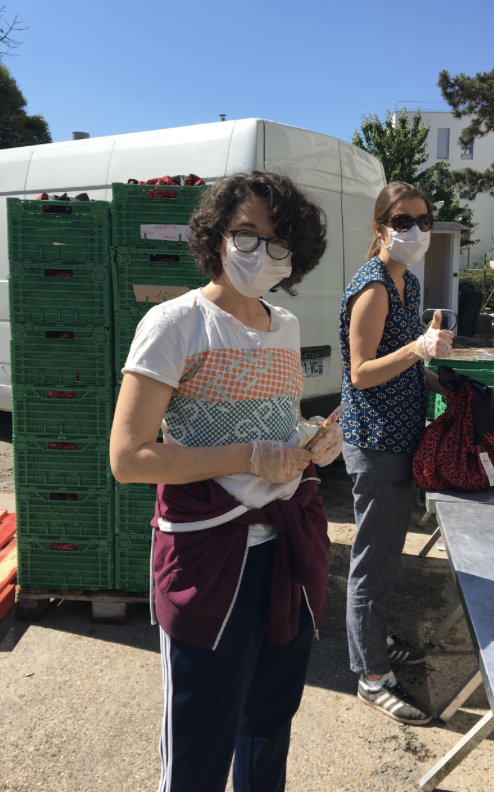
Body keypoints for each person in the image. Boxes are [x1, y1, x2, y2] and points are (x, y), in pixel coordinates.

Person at [109, 171, 340, 792]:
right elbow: (129, 458)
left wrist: (310, 442)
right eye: (246, 235)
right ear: (216, 238)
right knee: (200, 740)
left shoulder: (285, 327)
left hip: (284, 550)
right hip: (208, 555)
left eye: (278, 243)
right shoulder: (174, 323)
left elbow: (275, 422)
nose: (262, 254)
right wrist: (246, 456)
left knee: (269, 722)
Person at [340, 182, 455, 725]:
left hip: (399, 436)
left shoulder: (403, 280)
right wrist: (417, 349)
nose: (414, 230)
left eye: (423, 220)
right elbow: (361, 375)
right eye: (402, 220)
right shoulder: (375, 288)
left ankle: (373, 643)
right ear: (380, 226)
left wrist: (438, 372)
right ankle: (371, 676)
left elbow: (405, 362)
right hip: (376, 441)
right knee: (375, 559)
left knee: (385, 555)